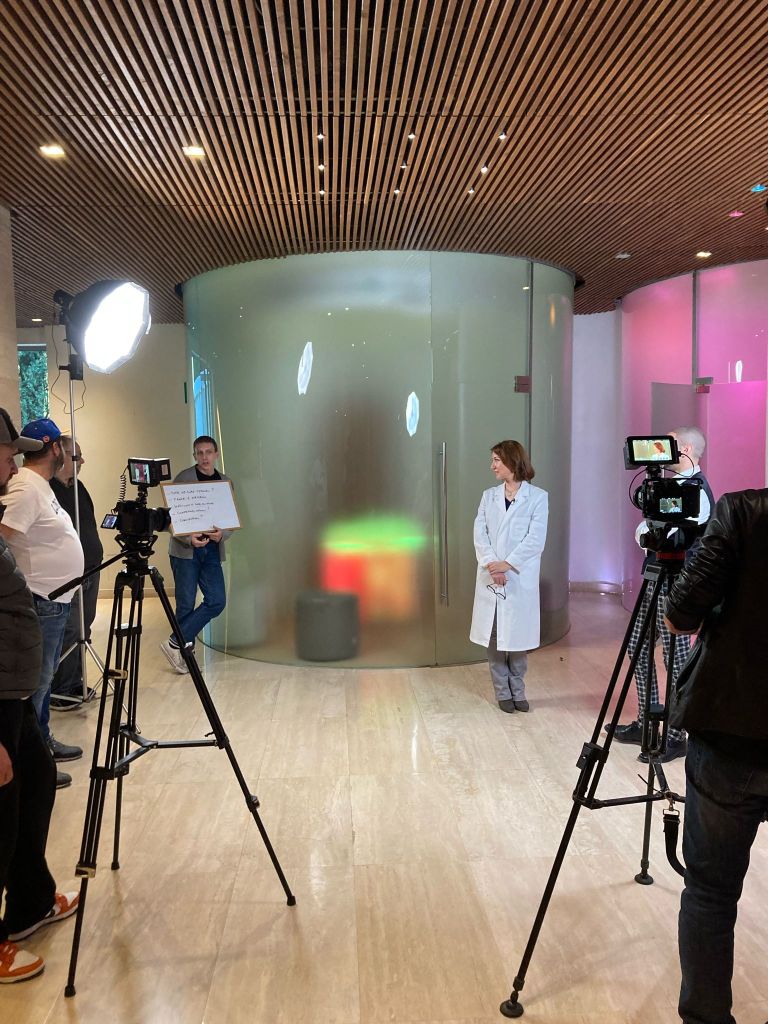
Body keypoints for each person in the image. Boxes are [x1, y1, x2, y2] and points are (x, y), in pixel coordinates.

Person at [663, 488, 768, 1024]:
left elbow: (679, 617)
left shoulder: (743, 512)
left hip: (733, 733)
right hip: (733, 736)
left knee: (710, 892)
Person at [0, 408, 78, 983]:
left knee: (38, 774)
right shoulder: (23, 490)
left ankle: (29, 903)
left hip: (12, 688)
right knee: (2, 806)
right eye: (7, 454)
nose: (14, 464)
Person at [612, 426, 714, 763]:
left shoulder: (698, 492)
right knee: (637, 646)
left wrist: (651, 533)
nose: (662, 451)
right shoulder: (670, 486)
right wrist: (651, 532)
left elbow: (668, 534)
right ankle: (646, 723)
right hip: (656, 576)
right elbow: (649, 527)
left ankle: (675, 734)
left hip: (678, 583)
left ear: (685, 448)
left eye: (669, 443)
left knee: (675, 659)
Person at [0, 417, 85, 788]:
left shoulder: (40, 485)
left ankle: (42, 745)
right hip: (41, 600)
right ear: (54, 448)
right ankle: (30, 766)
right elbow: (4, 535)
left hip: (54, 600)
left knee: (45, 680)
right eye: (64, 446)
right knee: (37, 682)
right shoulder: (25, 487)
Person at [470, 440, 548, 712]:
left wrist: (507, 565)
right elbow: (480, 534)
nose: (492, 466)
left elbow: (535, 540)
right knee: (494, 638)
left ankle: (518, 690)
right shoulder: (488, 496)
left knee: (517, 639)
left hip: (517, 577)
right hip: (491, 575)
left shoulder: (538, 497)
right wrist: (493, 565)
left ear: (511, 462)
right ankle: (503, 692)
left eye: (496, 460)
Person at [160, 435, 233, 673]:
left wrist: (222, 534)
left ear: (216, 454)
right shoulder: (183, 479)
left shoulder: (225, 482)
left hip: (211, 551)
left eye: (208, 452)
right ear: (194, 455)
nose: (204, 457)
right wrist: (187, 538)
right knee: (185, 604)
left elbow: (230, 519)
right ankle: (185, 657)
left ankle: (175, 642)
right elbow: (170, 520)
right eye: (199, 453)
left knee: (217, 600)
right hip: (185, 552)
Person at [50, 436, 103, 709]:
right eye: (77, 456)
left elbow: (89, 519)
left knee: (84, 627)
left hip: (92, 568)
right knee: (70, 630)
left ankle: (75, 682)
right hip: (69, 575)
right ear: (61, 455)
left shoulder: (77, 486)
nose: (82, 461)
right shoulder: (48, 492)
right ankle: (61, 689)